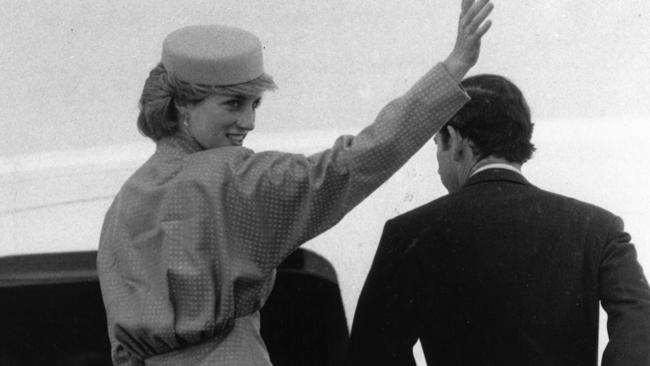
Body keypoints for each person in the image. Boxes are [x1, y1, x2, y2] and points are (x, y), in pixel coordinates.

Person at [96, 1, 494, 365]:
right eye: (233, 104)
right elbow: (352, 164)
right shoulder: (234, 178)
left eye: (255, 104)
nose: (249, 123)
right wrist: (453, 68)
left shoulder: (125, 202)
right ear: (183, 103)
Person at [345, 74, 650, 365]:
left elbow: (371, 356)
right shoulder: (599, 228)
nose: (437, 160)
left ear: (454, 139)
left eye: (436, 144)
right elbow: (639, 330)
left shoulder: (409, 233)